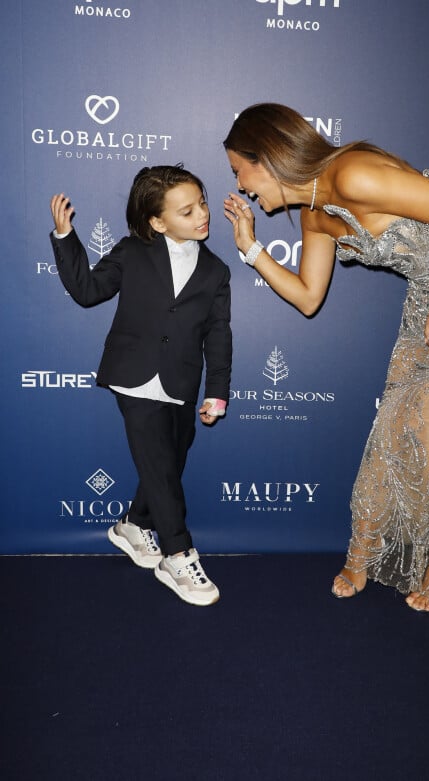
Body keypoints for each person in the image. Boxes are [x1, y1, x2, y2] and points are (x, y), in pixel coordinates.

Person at [223, 103, 429, 624]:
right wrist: (252, 248)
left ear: (269, 155)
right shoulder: (313, 214)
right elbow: (307, 297)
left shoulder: (352, 173)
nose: (242, 185)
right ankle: (364, 554)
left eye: (240, 171)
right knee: (392, 425)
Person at [50, 164, 232, 606]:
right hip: (133, 378)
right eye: (186, 211)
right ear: (157, 221)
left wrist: (217, 390)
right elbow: (88, 290)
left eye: (202, 203)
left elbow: (219, 333)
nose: (201, 215)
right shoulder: (133, 251)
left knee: (170, 458)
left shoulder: (216, 270)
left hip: (182, 383)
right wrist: (64, 237)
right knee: (161, 468)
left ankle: (132, 523)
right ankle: (178, 553)